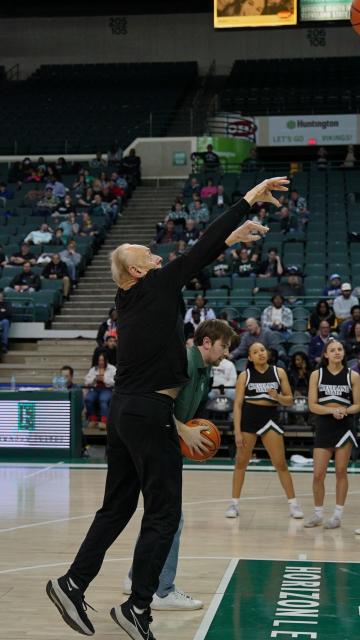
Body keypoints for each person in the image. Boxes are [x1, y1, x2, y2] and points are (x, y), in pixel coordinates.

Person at [45, 177, 285, 639]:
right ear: (138, 272)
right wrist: (247, 200)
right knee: (164, 513)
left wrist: (229, 239)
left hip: (123, 413)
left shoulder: (129, 297)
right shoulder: (153, 286)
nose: (158, 259)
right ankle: (138, 606)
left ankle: (73, 583)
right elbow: (196, 253)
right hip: (150, 412)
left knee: (116, 508)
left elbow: (197, 257)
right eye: (148, 258)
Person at [124, 320, 234, 610]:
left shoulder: (205, 370)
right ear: (207, 342)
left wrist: (186, 435)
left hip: (164, 442)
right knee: (171, 517)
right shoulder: (183, 360)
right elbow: (154, 402)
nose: (226, 354)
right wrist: (183, 430)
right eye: (224, 346)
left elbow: (186, 415)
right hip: (152, 439)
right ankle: (161, 589)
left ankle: (136, 577)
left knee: (158, 514)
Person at [225, 342, 303, 519]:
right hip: (249, 418)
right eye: (255, 352)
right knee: (241, 463)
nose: (260, 353)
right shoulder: (244, 376)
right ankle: (234, 503)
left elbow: (290, 401)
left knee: (280, 463)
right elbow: (237, 405)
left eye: (262, 350)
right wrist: (237, 431)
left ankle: (293, 504)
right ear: (250, 357)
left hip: (270, 418)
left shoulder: (279, 372)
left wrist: (278, 396)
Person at [305, 338, 360, 529]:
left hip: (344, 427)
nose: (337, 352)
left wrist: (345, 410)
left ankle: (337, 515)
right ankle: (318, 514)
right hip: (324, 426)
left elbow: (358, 405)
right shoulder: (316, 375)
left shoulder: (352, 376)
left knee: (340, 471)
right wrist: (331, 411)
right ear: (326, 354)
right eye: (333, 350)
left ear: (343, 353)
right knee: (318, 474)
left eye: (340, 349)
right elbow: (312, 405)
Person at [84, 352, 116, 429]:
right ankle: (93, 419)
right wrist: (94, 379)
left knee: (103, 399)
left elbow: (115, 382)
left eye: (102, 360)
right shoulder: (94, 369)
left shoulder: (112, 368)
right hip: (95, 389)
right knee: (88, 399)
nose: (101, 362)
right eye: (99, 360)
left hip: (107, 389)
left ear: (106, 360)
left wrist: (104, 379)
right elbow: (86, 381)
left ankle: (104, 421)